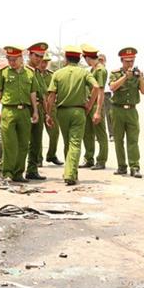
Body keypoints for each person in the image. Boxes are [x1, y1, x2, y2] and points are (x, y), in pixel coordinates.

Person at [46, 45, 102, 186]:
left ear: (66, 58)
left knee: (67, 143)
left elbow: (51, 96)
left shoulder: (58, 74)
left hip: (62, 112)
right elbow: (96, 87)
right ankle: (71, 173)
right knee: (75, 143)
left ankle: (69, 172)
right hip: (79, 111)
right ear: (78, 59)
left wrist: (48, 114)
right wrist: (89, 104)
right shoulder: (84, 73)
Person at [0, 45, 39, 183]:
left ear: (21, 58)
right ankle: (6, 173)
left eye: (14, 59)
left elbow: (33, 93)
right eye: (9, 59)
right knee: (9, 144)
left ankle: (18, 173)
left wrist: (35, 111)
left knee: (24, 144)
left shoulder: (30, 73)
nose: (11, 62)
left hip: (25, 111)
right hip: (8, 111)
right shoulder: (3, 73)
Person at [109, 47, 144, 178]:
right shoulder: (115, 73)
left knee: (133, 140)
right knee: (118, 140)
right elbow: (112, 87)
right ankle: (121, 166)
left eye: (132, 61)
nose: (130, 64)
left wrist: (141, 78)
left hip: (131, 110)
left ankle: (135, 167)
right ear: (122, 61)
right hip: (117, 110)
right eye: (127, 61)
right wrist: (125, 77)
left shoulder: (138, 74)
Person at [80, 44, 109, 170]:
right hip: (90, 105)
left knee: (100, 135)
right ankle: (89, 158)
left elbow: (100, 91)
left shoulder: (100, 70)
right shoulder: (92, 69)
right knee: (88, 134)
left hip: (96, 105)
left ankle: (101, 160)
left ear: (87, 58)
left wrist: (97, 111)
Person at [25, 42, 49, 181]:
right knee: (23, 142)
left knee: (36, 142)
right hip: (27, 110)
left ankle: (32, 169)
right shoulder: (24, 72)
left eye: (41, 56)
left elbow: (44, 95)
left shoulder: (38, 73)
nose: (39, 59)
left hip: (38, 110)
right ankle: (16, 170)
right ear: (30, 55)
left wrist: (47, 114)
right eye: (36, 56)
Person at [39, 52, 63, 165]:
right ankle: (37, 158)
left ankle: (51, 155)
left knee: (55, 132)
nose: (43, 64)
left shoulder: (51, 75)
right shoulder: (33, 74)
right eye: (42, 61)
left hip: (50, 107)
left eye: (46, 62)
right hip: (38, 106)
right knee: (36, 134)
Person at [99, 53, 114, 141]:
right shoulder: (95, 71)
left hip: (107, 94)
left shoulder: (108, 71)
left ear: (105, 61)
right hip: (97, 94)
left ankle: (111, 134)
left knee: (109, 115)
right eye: (99, 60)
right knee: (99, 114)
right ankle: (99, 134)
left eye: (102, 60)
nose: (100, 61)